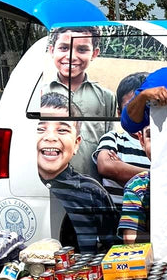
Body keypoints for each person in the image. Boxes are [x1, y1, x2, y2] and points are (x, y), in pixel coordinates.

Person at [37, 92, 119, 253]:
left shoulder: (92, 192)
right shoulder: (17, 186)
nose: (50, 137)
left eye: (62, 130)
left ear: (76, 143)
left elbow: (112, 248)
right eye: (40, 128)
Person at [43, 25, 117, 177]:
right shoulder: (41, 94)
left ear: (94, 53)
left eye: (82, 50)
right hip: (48, 183)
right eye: (63, 48)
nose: (71, 56)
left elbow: (109, 143)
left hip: (93, 183)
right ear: (52, 50)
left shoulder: (106, 97)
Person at [94, 72, 151, 209]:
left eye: (147, 106)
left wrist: (123, 168)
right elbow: (106, 166)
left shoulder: (163, 142)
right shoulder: (114, 138)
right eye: (132, 108)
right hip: (117, 217)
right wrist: (156, 176)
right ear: (120, 113)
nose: (139, 113)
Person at [118, 125, 152, 243]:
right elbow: (130, 241)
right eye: (151, 135)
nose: (160, 143)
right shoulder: (137, 186)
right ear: (141, 140)